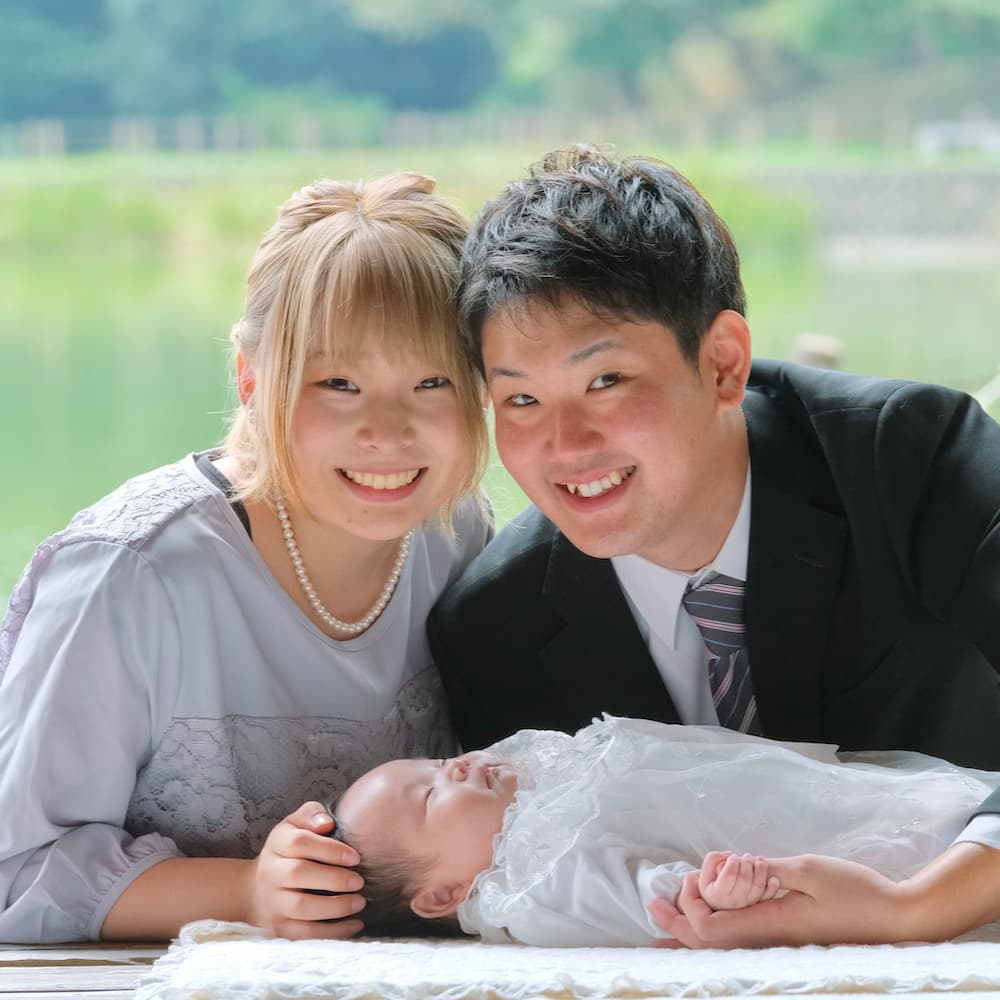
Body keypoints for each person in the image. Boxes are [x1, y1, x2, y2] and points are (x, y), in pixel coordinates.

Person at [424, 143, 1000, 945]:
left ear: (724, 362)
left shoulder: (908, 456)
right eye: (519, 398)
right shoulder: (494, 626)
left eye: (605, 381)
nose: (564, 444)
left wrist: (919, 907)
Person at [0, 172, 492, 944]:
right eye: (338, 383)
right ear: (251, 379)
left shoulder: (456, 537)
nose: (390, 433)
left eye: (432, 381)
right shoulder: (127, 573)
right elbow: (15, 871)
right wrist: (244, 892)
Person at [329, 716, 1000, 946]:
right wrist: (706, 890)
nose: (458, 768)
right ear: (442, 895)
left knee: (917, 800)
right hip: (851, 859)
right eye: (429, 795)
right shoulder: (535, 889)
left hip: (823, 797)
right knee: (919, 834)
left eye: (440, 763)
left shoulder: (538, 799)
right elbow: (643, 899)